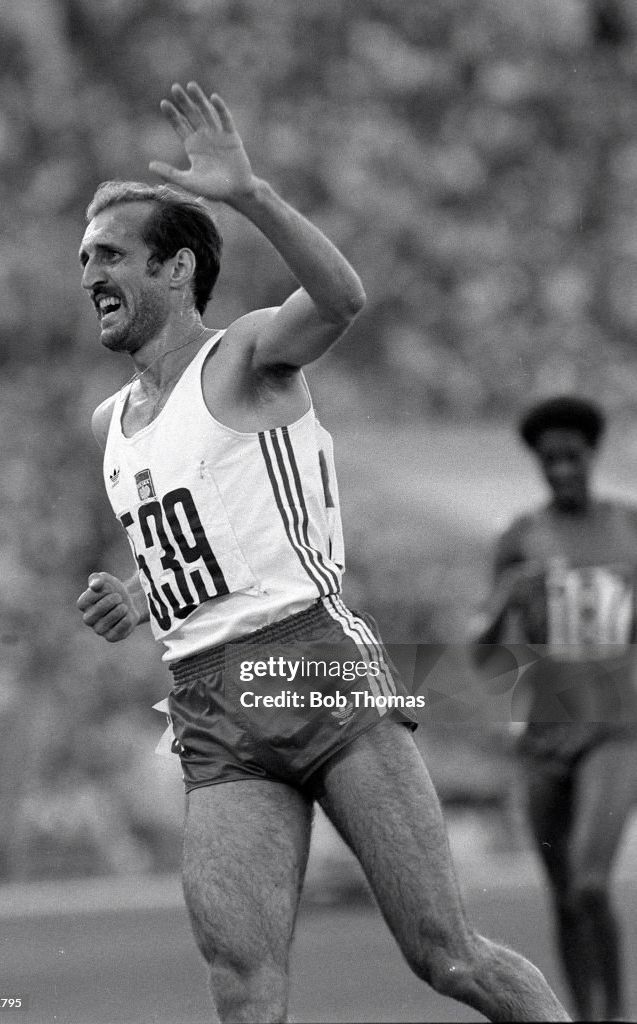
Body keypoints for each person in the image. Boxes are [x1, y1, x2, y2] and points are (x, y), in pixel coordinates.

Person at [76, 81, 569, 1024]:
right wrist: (144, 594)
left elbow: (342, 299)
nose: (90, 272)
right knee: (243, 985)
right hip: (209, 696)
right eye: (83, 258)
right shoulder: (111, 422)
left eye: (110, 254)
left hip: (313, 666)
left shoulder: (245, 355)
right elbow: (210, 528)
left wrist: (250, 194)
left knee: (447, 956)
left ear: (176, 271)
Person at [474, 394, 637, 1022]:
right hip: (544, 734)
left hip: (616, 730)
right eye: (550, 461)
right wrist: (506, 602)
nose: (563, 470)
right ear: (538, 465)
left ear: (592, 454)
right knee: (565, 896)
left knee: (591, 882)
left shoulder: (629, 529)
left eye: (572, 457)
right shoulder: (521, 538)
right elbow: (484, 657)